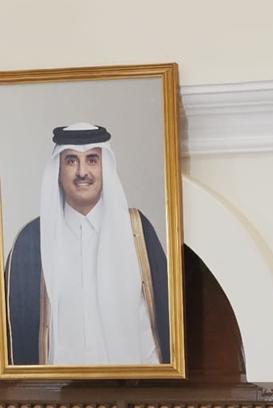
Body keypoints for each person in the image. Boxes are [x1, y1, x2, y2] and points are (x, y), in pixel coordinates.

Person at [4, 123, 170, 367]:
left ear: (105, 168)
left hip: (132, 385)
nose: (82, 172)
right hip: (56, 389)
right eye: (71, 161)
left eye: (92, 160)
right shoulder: (30, 241)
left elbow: (163, 320)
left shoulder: (137, 232)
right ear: (58, 171)